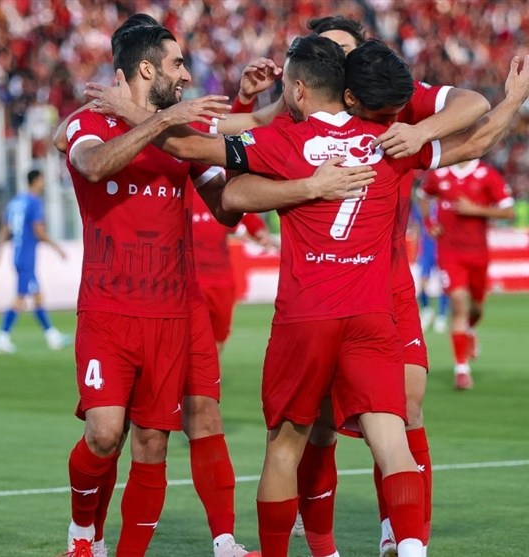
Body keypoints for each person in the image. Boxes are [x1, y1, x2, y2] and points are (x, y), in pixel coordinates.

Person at [96, 33, 528, 557]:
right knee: (392, 440)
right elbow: (478, 140)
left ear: (299, 90)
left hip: (305, 318)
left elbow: (192, 152)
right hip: (371, 317)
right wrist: (513, 99)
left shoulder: (283, 140)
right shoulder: (387, 140)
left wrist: (133, 112)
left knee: (285, 447)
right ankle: (412, 549)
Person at [60, 21, 251, 557]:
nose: (186, 75)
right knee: (104, 433)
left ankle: (195, 543)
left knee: (152, 440)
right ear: (147, 68)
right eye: (177, 64)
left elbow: (225, 208)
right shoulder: (89, 122)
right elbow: (92, 164)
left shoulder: (180, 140)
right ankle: (82, 532)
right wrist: (163, 120)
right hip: (108, 308)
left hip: (170, 310)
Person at [417, 159, 514, 390]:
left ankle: (470, 330)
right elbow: (422, 196)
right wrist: (429, 223)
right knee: (458, 302)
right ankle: (461, 370)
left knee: (476, 308)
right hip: (450, 253)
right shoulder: (439, 174)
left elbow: (508, 211)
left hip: (478, 253)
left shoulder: (487, 174)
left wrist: (476, 210)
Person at [0, 169, 69, 353]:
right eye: (42, 180)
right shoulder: (34, 202)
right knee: (20, 299)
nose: (43, 183)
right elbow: (38, 231)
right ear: (36, 181)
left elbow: (4, 230)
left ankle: (52, 336)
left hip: (18, 254)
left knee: (37, 297)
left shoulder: (15, 202)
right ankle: (1, 337)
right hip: (27, 257)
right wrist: (57, 247)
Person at [191, 192, 272, 352]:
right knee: (190, 334)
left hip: (222, 279)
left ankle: (211, 368)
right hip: (190, 278)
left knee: (219, 336)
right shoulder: (179, 186)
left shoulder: (220, 186)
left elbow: (244, 210)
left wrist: (258, 230)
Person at [414, 200, 449, 333]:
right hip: (427, 250)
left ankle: (441, 316)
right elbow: (418, 227)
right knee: (423, 281)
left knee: (444, 283)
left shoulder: (445, 204)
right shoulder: (422, 205)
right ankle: (426, 309)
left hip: (442, 249)